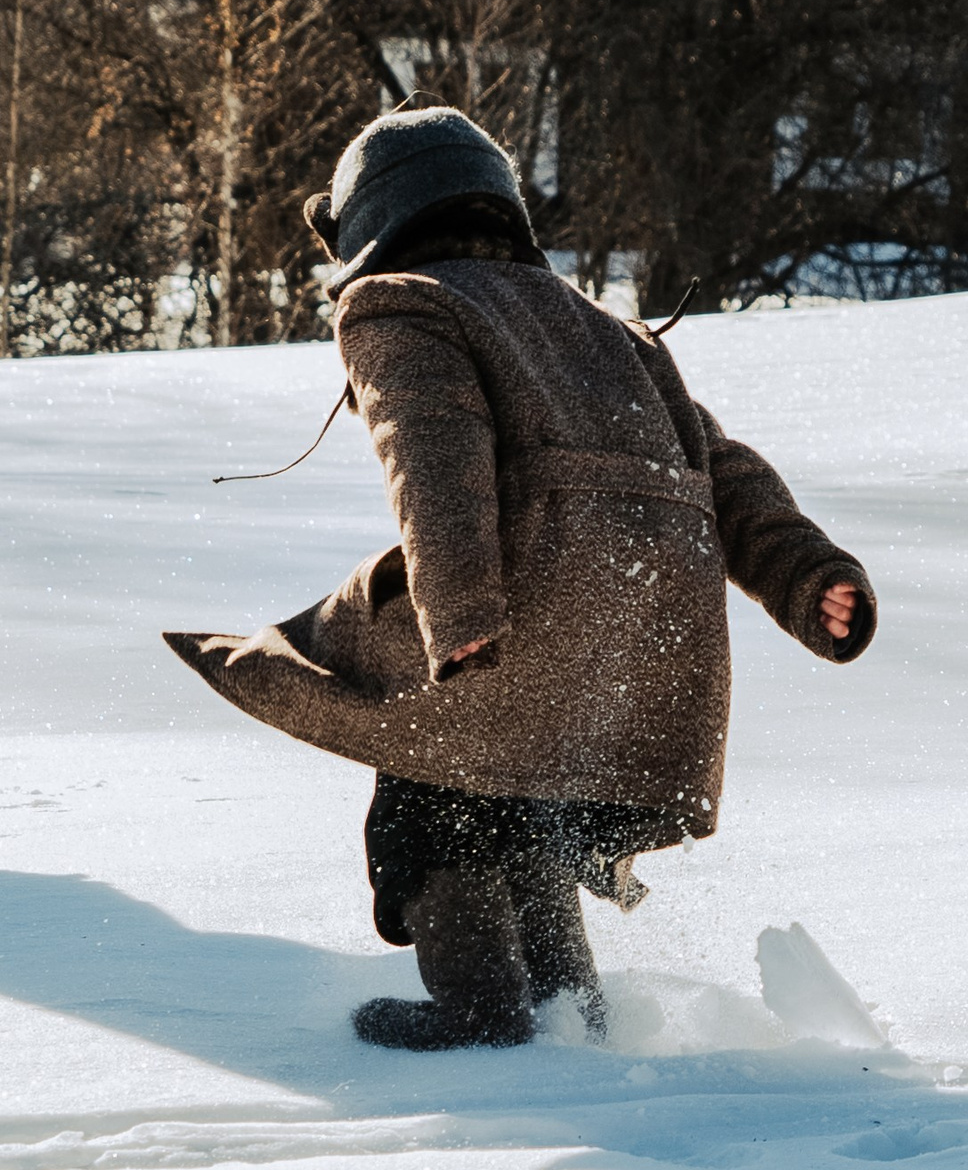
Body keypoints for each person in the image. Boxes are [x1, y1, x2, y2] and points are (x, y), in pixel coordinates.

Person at [165, 107, 875, 1051]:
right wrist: (809, 575)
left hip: (512, 604)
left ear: (376, 223)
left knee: (427, 793)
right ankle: (568, 1008)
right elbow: (722, 471)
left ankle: (482, 1008)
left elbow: (434, 456)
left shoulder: (399, 303)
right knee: (512, 792)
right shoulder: (611, 330)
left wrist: (457, 610)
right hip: (649, 642)